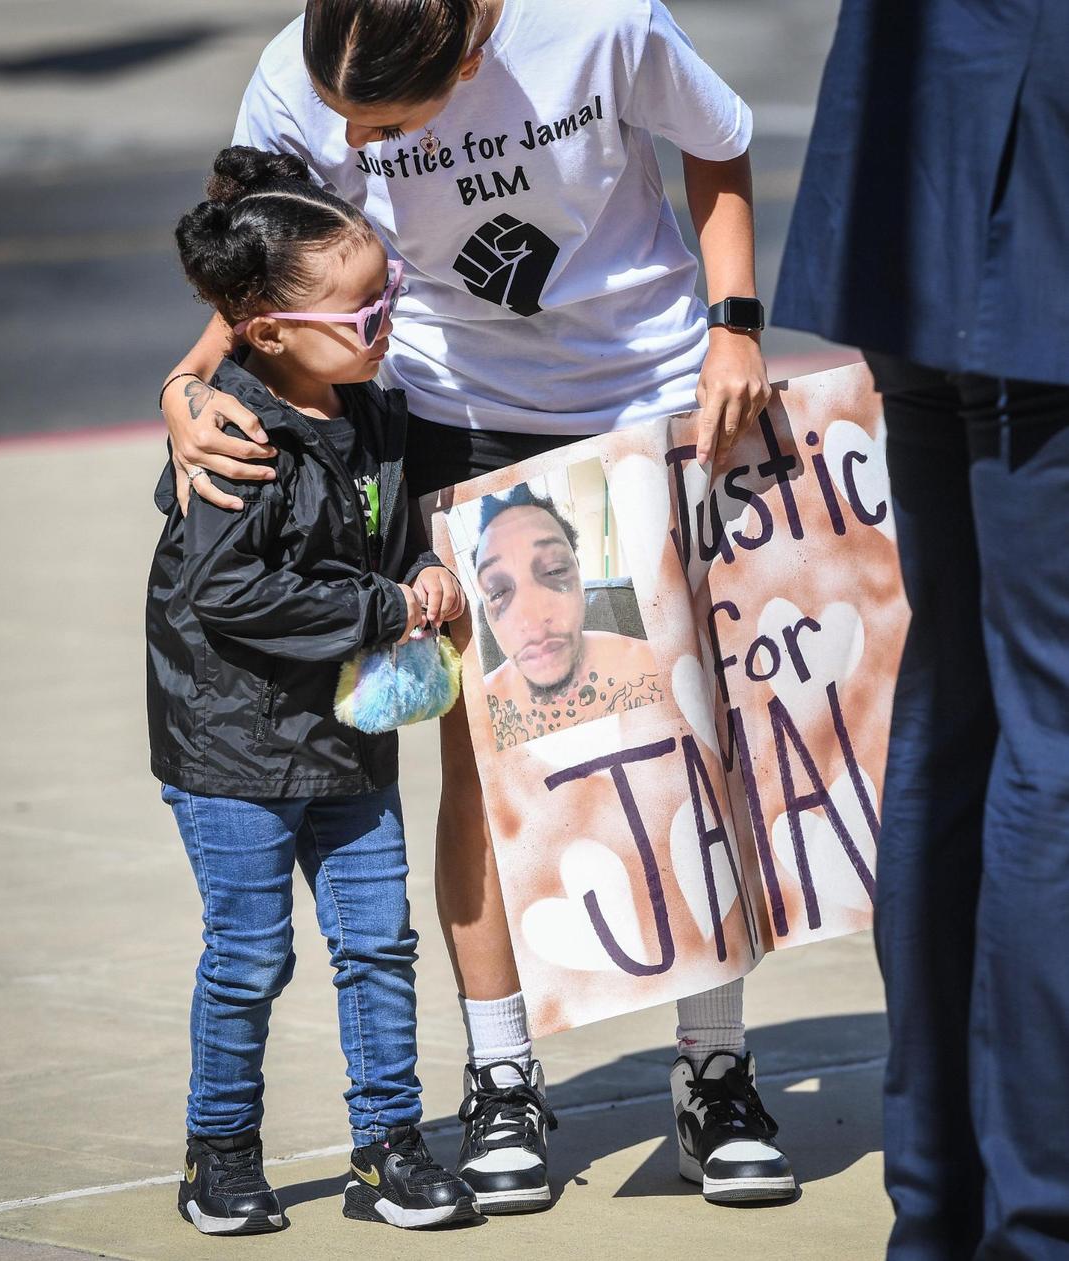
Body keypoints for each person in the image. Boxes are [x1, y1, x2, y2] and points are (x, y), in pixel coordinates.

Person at [160, 0, 795, 1209]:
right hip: (453, 409)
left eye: (386, 128)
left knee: (679, 741)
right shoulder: (308, 63)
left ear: (468, 55)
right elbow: (267, 254)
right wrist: (189, 378)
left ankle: (715, 1070)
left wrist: (733, 327)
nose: (364, 147)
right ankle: (503, 1072)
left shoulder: (602, 23)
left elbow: (717, 138)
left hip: (642, 387)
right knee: (486, 755)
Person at [774, 1, 1069, 1255]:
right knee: (1042, 737)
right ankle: (1033, 1215)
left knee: (959, 711)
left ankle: (946, 1205)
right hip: (1033, 183)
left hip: (926, 174)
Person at [147, 145, 475, 1235]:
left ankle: (387, 1146)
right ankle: (220, 1152)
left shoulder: (371, 407)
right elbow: (227, 588)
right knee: (251, 955)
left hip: (345, 738)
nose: (384, 318)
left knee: (378, 940)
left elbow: (394, 530)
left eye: (387, 295)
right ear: (270, 331)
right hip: (234, 745)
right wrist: (382, 610)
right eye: (360, 307)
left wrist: (421, 565)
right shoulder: (235, 435)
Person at [472, 487, 662, 749]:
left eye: (554, 570)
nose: (532, 616)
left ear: (580, 580)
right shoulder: (478, 719)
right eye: (498, 591)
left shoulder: (650, 669)